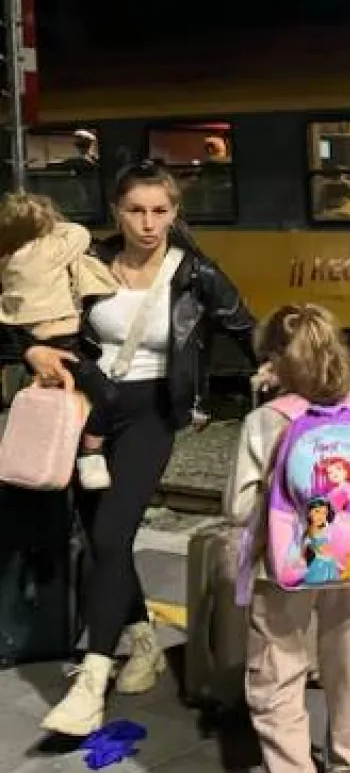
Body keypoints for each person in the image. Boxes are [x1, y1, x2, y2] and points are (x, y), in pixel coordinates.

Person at [19, 161, 260, 737]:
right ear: (116, 212)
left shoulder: (195, 273)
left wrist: (303, 380)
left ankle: (91, 682)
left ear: (175, 213)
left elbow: (249, 330)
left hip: (152, 412)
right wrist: (31, 352)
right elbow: (23, 313)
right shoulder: (85, 262)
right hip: (87, 407)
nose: (148, 224)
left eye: (160, 211)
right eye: (136, 210)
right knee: (99, 533)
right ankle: (143, 640)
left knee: (109, 536)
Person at [226, 303, 350, 773]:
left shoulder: (267, 420)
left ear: (277, 360)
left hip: (285, 566)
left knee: (278, 668)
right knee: (347, 660)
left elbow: (237, 507)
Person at [0, 192, 120, 489]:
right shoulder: (48, 251)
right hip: (63, 345)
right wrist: (55, 224)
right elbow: (80, 233)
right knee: (107, 395)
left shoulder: (8, 258)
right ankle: (91, 453)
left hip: (35, 339)